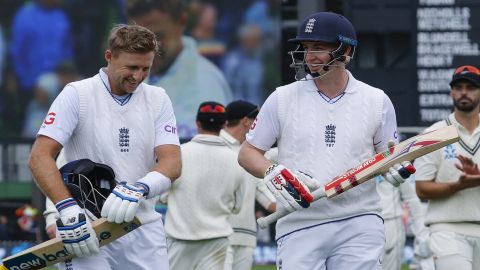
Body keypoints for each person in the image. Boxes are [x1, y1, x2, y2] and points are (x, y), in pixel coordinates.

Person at [237, 12, 415, 269]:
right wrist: (274, 171)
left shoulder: (376, 100)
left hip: (360, 220)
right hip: (300, 223)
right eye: (306, 48)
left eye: (319, 48)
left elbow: (386, 155)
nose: (309, 56)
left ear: (346, 51)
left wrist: (394, 166)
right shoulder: (282, 98)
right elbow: (247, 153)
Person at [28, 24, 181, 270]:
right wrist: (66, 210)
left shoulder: (158, 98)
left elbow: (172, 162)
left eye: (146, 68)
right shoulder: (77, 94)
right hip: (87, 228)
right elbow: (39, 157)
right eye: (131, 67)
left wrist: (141, 188)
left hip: (141, 224)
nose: (138, 76)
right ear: (109, 56)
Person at [125, 0, 233, 139]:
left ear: (182, 21)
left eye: (158, 37)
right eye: (137, 38)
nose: (146, 49)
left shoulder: (206, 83)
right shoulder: (127, 78)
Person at [162, 101, 245, 270]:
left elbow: (163, 197)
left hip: (179, 241)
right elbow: (237, 207)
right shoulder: (236, 159)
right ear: (224, 124)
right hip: (217, 240)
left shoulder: (179, 154)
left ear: (197, 123)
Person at [414, 65, 480, 270]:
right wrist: (458, 185)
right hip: (446, 229)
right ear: (451, 92)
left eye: (470, 87)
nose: (464, 93)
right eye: (458, 87)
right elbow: (421, 189)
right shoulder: (434, 134)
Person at [220, 100, 276, 270]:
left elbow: (260, 189)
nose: (260, 125)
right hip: (218, 235)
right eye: (257, 120)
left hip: (246, 236)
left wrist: (301, 206)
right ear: (246, 121)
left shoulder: (248, 154)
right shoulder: (215, 144)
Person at [376, 173, 432, 270]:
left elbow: (411, 197)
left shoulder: (393, 161)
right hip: (362, 223)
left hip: (390, 223)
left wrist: (421, 232)